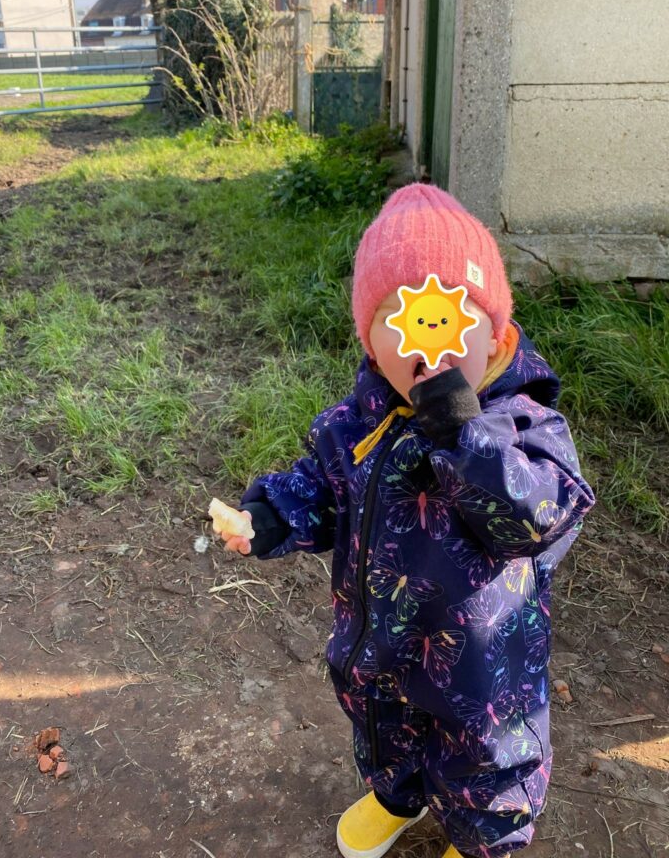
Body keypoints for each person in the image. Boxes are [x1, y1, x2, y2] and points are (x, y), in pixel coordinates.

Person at [213, 185, 595, 858]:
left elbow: (542, 515)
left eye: (448, 325)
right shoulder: (359, 422)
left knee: (484, 755)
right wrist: (274, 514)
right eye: (402, 329)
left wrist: (466, 438)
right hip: (380, 641)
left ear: (498, 334)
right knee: (384, 724)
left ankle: (484, 838)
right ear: (372, 343)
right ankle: (398, 795)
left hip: (481, 664)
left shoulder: (524, 423)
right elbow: (324, 485)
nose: (426, 355)